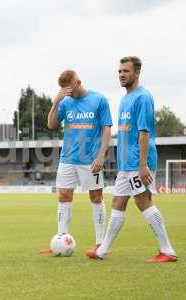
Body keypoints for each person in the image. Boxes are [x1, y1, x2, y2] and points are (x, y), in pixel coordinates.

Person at [86, 57, 177, 262]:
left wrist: (143, 164)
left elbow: (144, 132)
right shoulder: (125, 98)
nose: (121, 75)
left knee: (143, 201)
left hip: (138, 162)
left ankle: (168, 251)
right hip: (126, 164)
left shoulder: (143, 97)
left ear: (136, 73)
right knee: (118, 202)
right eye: (119, 71)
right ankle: (103, 250)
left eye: (126, 71)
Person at [42, 70, 112, 254]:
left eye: (69, 88)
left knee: (96, 198)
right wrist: (56, 102)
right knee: (63, 197)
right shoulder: (65, 102)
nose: (67, 93)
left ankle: (100, 243)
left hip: (91, 159)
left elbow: (106, 129)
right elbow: (51, 124)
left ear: (78, 82)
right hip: (67, 159)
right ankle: (61, 239)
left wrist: (101, 155)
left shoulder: (99, 100)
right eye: (63, 89)